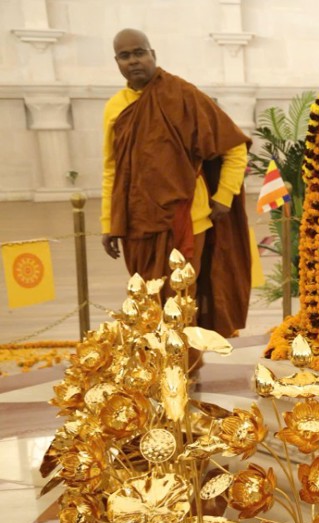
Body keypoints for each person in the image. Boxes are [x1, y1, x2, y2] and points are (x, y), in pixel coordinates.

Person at [101, 28, 252, 338]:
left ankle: (185, 362)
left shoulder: (183, 95)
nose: (134, 61)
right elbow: (112, 169)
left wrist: (224, 196)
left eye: (140, 53)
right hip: (137, 223)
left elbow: (234, 146)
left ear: (153, 55)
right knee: (146, 301)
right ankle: (154, 361)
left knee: (180, 299)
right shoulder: (115, 108)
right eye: (125, 56)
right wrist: (108, 222)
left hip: (186, 219)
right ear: (116, 62)